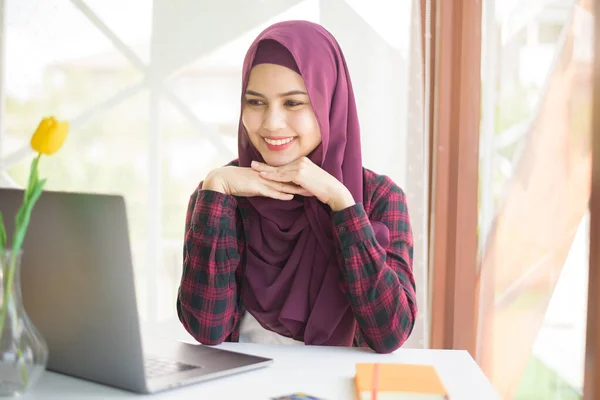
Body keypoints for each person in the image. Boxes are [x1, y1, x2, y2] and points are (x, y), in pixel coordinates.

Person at [177, 20, 417, 354]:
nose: (272, 123)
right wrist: (215, 188)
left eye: (293, 103)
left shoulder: (378, 197)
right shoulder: (224, 194)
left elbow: (390, 333)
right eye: (256, 102)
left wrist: (342, 205)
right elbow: (206, 329)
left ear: (329, 102)